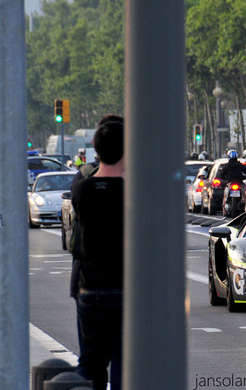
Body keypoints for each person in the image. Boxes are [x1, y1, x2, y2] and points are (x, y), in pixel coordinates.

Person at [72, 120, 124, 390]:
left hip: (90, 289)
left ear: (96, 149)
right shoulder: (131, 193)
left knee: (90, 364)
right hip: (123, 289)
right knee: (124, 364)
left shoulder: (81, 189)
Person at [219, 150, 246, 216]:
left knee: (225, 197)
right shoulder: (240, 165)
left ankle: (224, 212)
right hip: (239, 183)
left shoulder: (226, 166)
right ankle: (245, 208)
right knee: (244, 197)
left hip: (230, 183)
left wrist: (225, 179)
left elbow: (221, 175)